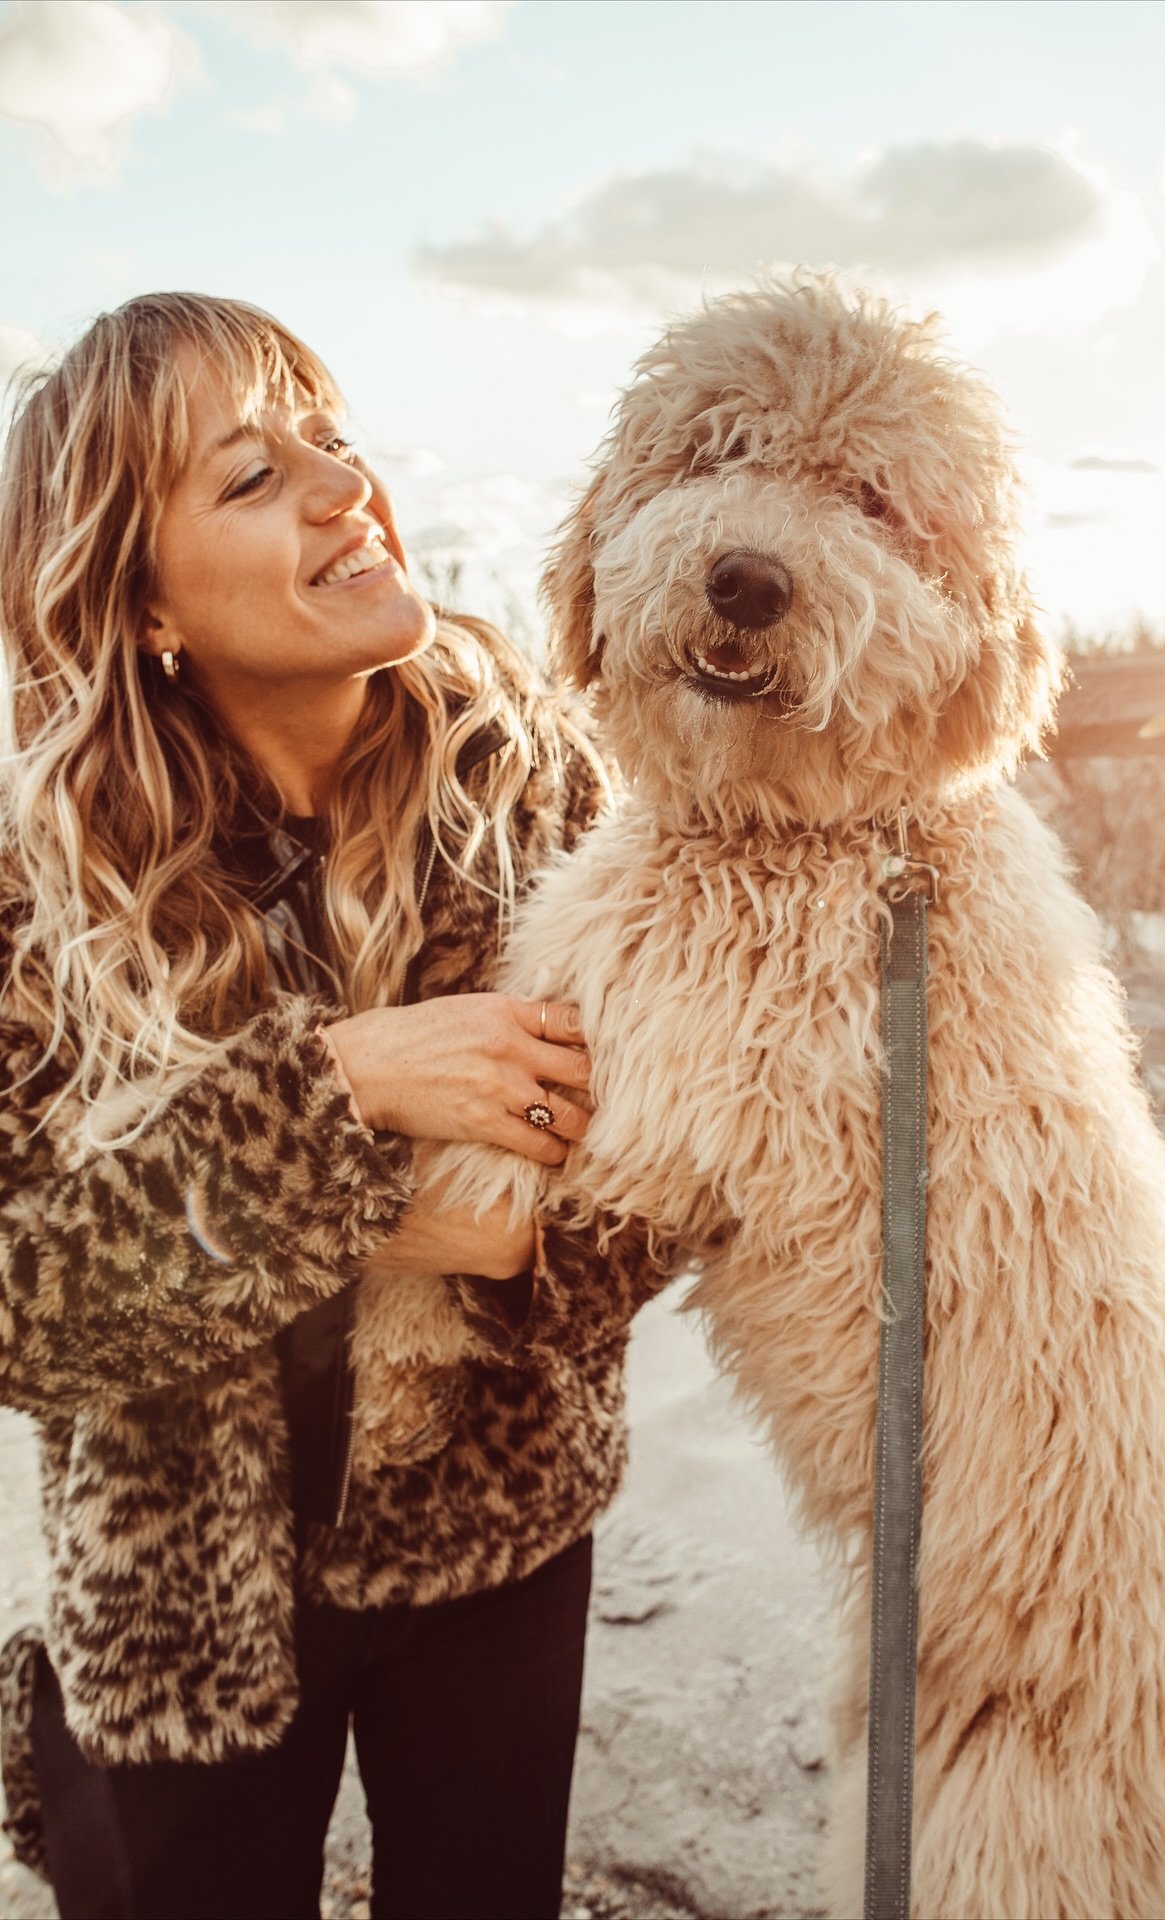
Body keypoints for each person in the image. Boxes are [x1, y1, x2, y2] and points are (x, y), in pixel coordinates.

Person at [0, 292, 673, 1920]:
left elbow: (669, 1169)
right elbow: (20, 1307)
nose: (342, 487)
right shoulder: (40, 887)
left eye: (332, 439)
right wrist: (345, 1100)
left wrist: (515, 1246)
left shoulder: (554, 798)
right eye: (252, 476)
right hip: (181, 1595)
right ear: (141, 599)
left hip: (497, 1536)